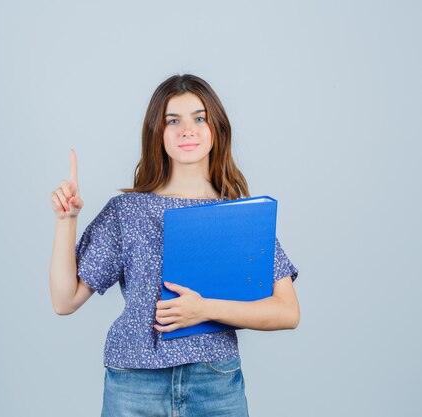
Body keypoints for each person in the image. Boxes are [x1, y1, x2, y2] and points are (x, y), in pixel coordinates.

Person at [49, 73, 300, 417]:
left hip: (214, 382)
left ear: (216, 130)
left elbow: (287, 311)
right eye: (173, 120)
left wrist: (205, 309)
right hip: (133, 384)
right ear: (158, 132)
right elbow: (65, 301)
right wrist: (66, 222)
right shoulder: (128, 211)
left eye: (199, 118)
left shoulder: (240, 216)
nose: (187, 129)